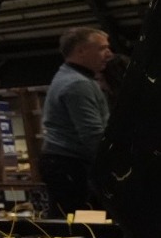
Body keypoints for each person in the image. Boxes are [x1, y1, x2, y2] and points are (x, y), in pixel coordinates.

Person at [39, 26, 114, 216]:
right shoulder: (78, 84)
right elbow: (93, 136)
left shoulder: (69, 76)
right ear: (81, 51)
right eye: (102, 48)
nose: (108, 54)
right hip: (71, 166)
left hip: (63, 163)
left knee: (73, 223)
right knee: (83, 226)